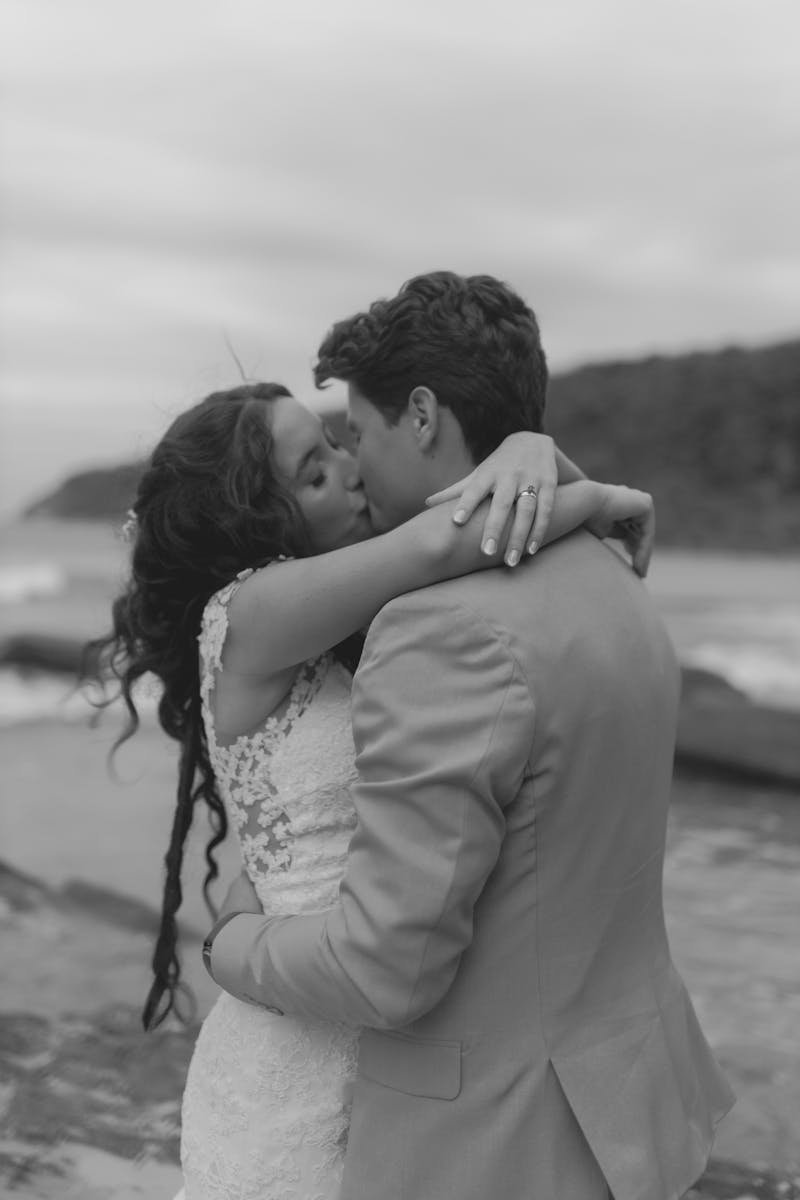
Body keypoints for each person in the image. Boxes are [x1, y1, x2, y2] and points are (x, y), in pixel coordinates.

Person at [204, 272, 735, 1200]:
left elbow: (384, 969)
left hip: (493, 1144)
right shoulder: (613, 571)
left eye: (357, 435)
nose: (355, 467)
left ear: (420, 416)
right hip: (623, 1098)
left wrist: (228, 945)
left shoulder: (442, 629)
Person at [98, 364, 655, 1198]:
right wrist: (600, 496)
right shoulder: (251, 612)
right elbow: (445, 537)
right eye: (313, 474)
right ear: (257, 521)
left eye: (332, 441)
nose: (351, 467)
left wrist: (534, 452)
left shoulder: (333, 625)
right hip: (297, 1029)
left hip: (370, 1006)